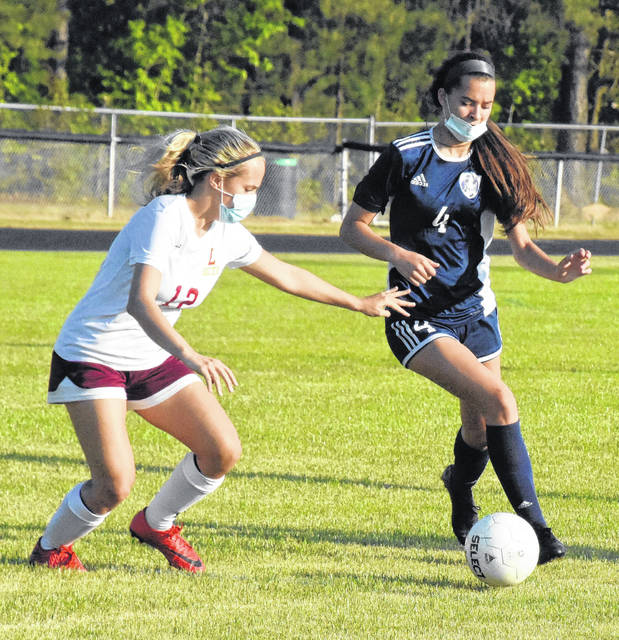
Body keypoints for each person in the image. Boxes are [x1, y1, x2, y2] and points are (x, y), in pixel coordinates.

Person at [29, 125, 413, 572]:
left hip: (151, 357)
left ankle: (158, 524)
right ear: (216, 179)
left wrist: (359, 302)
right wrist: (191, 357)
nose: (253, 196)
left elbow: (286, 274)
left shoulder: (225, 232)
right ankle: (51, 550)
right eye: (248, 187)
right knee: (114, 484)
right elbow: (140, 302)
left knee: (221, 450)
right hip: (94, 356)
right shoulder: (165, 216)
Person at [339, 51, 592, 565]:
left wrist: (558, 271)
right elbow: (353, 227)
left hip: (476, 312)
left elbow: (522, 247)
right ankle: (537, 528)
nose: (476, 114)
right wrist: (398, 254)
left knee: (478, 426)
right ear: (442, 98)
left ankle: (459, 490)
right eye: (466, 102)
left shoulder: (492, 160)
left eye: (486, 106)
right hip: (416, 315)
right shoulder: (405, 156)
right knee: (500, 400)